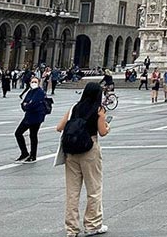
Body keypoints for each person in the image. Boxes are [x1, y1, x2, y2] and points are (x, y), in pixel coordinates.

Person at [56, 82, 111, 237]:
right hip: (89, 151)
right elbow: (102, 132)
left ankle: (71, 229)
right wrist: (107, 125)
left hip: (71, 152)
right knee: (94, 188)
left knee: (72, 192)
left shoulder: (74, 107)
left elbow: (59, 127)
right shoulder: (99, 110)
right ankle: (92, 224)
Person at [15, 76, 47, 163]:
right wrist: (26, 105)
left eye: (35, 82)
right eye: (32, 82)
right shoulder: (30, 92)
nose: (33, 83)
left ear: (39, 83)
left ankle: (33, 155)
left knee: (33, 135)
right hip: (28, 116)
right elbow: (24, 103)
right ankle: (24, 152)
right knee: (18, 133)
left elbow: (34, 104)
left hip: (36, 117)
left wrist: (27, 105)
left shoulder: (40, 92)